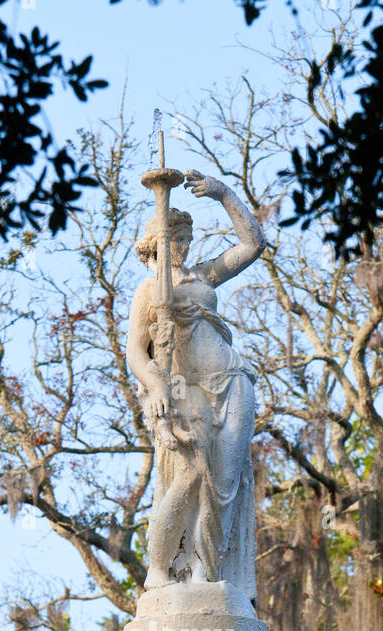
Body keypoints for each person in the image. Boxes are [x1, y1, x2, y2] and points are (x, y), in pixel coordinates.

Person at [126, 170, 265, 601]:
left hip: (233, 382)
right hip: (185, 389)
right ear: (156, 244)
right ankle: (159, 568)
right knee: (193, 473)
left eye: (187, 239)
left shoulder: (203, 277)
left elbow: (252, 245)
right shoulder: (148, 290)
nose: (184, 247)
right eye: (175, 240)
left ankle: (207, 571)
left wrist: (224, 194)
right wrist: (155, 387)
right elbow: (136, 353)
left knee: (225, 482)